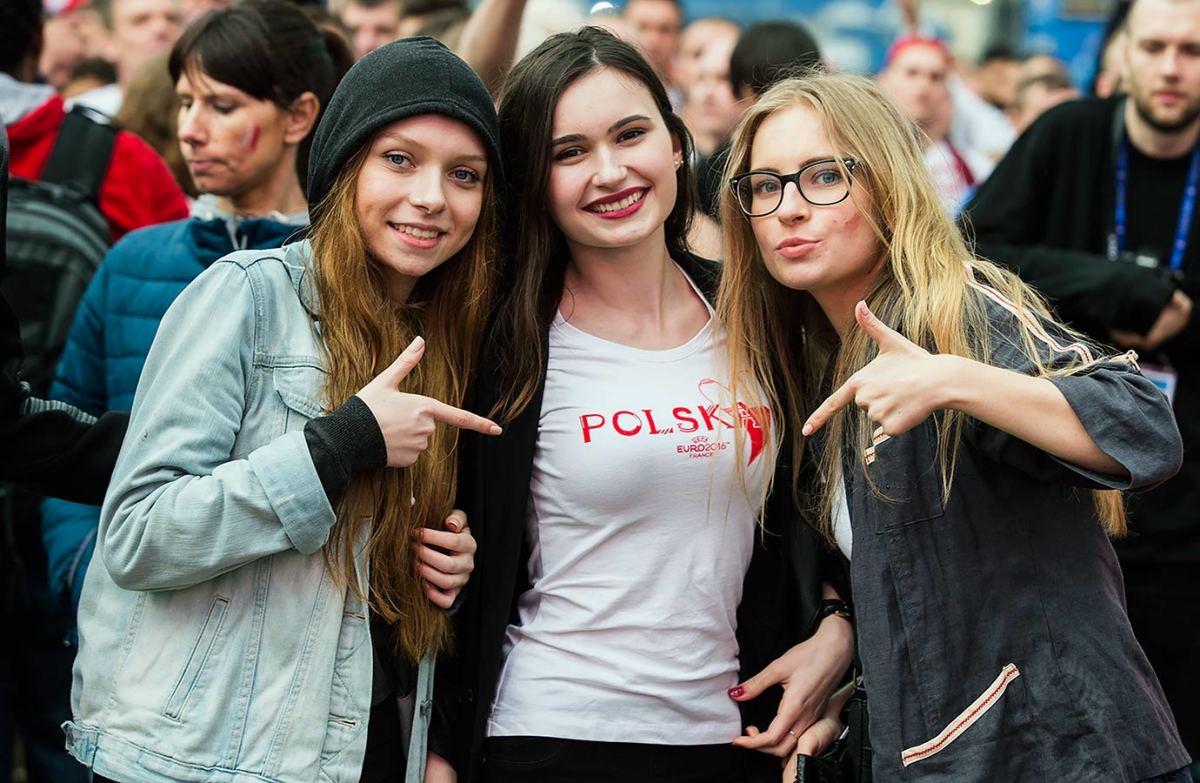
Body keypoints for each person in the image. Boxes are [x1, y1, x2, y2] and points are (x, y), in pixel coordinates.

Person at [717, 71, 1190, 782]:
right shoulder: (818, 350)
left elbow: (1146, 426)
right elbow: (918, 590)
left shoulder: (954, 309)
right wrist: (856, 699)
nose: (789, 208)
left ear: (887, 183)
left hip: (1064, 757)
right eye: (765, 186)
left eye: (823, 177)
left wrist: (955, 379)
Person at [63, 36, 503, 783]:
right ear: (343, 164)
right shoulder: (248, 294)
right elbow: (138, 533)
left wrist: (437, 566)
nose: (433, 195)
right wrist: (338, 446)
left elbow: (345, 584)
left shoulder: (449, 333)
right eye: (399, 159)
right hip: (198, 759)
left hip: (344, 749)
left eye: (464, 174)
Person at [429, 26, 853, 783]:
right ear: (533, 179)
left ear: (677, 141)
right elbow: (451, 556)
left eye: (632, 134)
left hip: (733, 737)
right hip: (548, 737)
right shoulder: (500, 344)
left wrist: (840, 625)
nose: (611, 171)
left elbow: (821, 517)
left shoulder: (760, 315)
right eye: (569, 152)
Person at [42, 0, 351, 617]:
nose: (190, 128)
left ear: (298, 117)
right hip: (131, 617)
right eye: (186, 102)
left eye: (222, 106)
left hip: (282, 624)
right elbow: (66, 436)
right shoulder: (133, 260)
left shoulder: (347, 274)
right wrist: (82, 572)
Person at [963, 0, 1200, 774]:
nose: (1172, 67)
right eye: (1156, 46)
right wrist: (1120, 290)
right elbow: (972, 252)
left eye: (1192, 50)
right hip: (1068, 511)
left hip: (1189, 520)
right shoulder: (1068, 138)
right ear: (1121, 53)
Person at [70, 0, 183, 117]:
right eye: (141, 20)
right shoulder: (81, 116)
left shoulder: (199, 112)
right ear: (108, 43)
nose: (161, 28)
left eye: (171, 19)